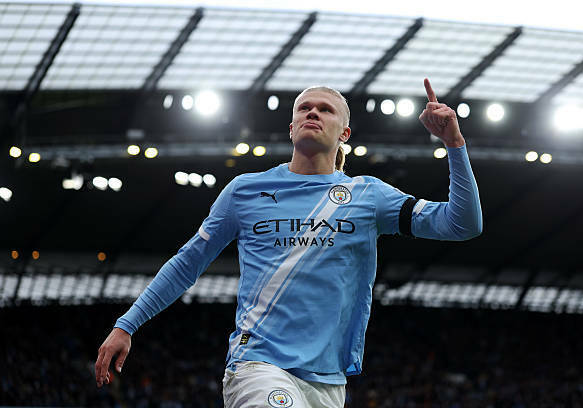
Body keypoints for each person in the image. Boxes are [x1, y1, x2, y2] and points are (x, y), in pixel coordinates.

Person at [95, 78, 482, 407]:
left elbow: (461, 224)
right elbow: (187, 263)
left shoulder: (369, 196)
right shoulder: (246, 191)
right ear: (292, 128)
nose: (313, 113)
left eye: (325, 110)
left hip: (328, 382)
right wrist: (127, 324)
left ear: (344, 134)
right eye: (304, 109)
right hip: (258, 364)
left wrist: (454, 144)